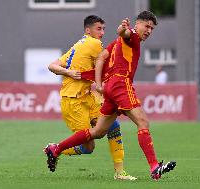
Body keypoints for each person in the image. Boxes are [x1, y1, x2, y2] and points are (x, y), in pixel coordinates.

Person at [44, 11, 176, 181]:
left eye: (152, 28)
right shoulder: (131, 36)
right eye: (146, 26)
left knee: (99, 131)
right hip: (120, 84)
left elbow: (101, 59)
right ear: (137, 24)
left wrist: (99, 84)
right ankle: (154, 166)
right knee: (142, 122)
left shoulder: (116, 42)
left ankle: (56, 149)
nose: (149, 30)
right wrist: (122, 29)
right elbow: (124, 33)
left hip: (109, 87)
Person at [44, 15, 136, 180]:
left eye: (103, 29)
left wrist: (67, 71)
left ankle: (120, 172)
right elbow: (108, 64)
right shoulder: (94, 44)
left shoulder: (78, 45)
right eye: (98, 29)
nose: (102, 33)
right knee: (88, 147)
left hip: (87, 97)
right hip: (73, 101)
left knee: (112, 125)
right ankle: (54, 149)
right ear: (88, 30)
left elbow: (52, 65)